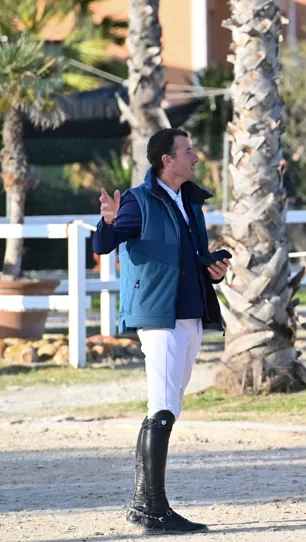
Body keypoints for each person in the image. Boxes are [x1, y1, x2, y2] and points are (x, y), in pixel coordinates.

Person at [94, 128, 229, 535]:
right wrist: (108, 221)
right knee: (164, 407)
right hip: (158, 316)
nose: (196, 157)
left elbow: (189, 256)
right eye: (188, 152)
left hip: (190, 314)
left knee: (168, 406)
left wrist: (213, 268)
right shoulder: (138, 201)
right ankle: (153, 508)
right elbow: (103, 245)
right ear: (167, 160)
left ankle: (143, 505)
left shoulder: (190, 202)